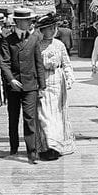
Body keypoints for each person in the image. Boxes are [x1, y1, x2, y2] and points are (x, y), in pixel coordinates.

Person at [0, 7, 46, 164]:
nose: (30, 23)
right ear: (18, 22)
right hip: (13, 86)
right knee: (13, 117)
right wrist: (11, 79)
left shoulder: (34, 40)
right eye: (27, 20)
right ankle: (13, 147)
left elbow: (39, 63)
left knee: (29, 118)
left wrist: (42, 85)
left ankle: (31, 151)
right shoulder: (7, 40)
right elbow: (4, 62)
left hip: (30, 84)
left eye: (30, 20)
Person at [35, 13, 75, 160]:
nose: (52, 30)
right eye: (48, 28)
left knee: (57, 115)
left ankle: (56, 146)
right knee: (44, 115)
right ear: (42, 30)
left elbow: (66, 63)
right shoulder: (37, 46)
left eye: (54, 28)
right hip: (43, 82)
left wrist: (69, 78)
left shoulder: (59, 45)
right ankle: (46, 146)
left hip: (58, 82)